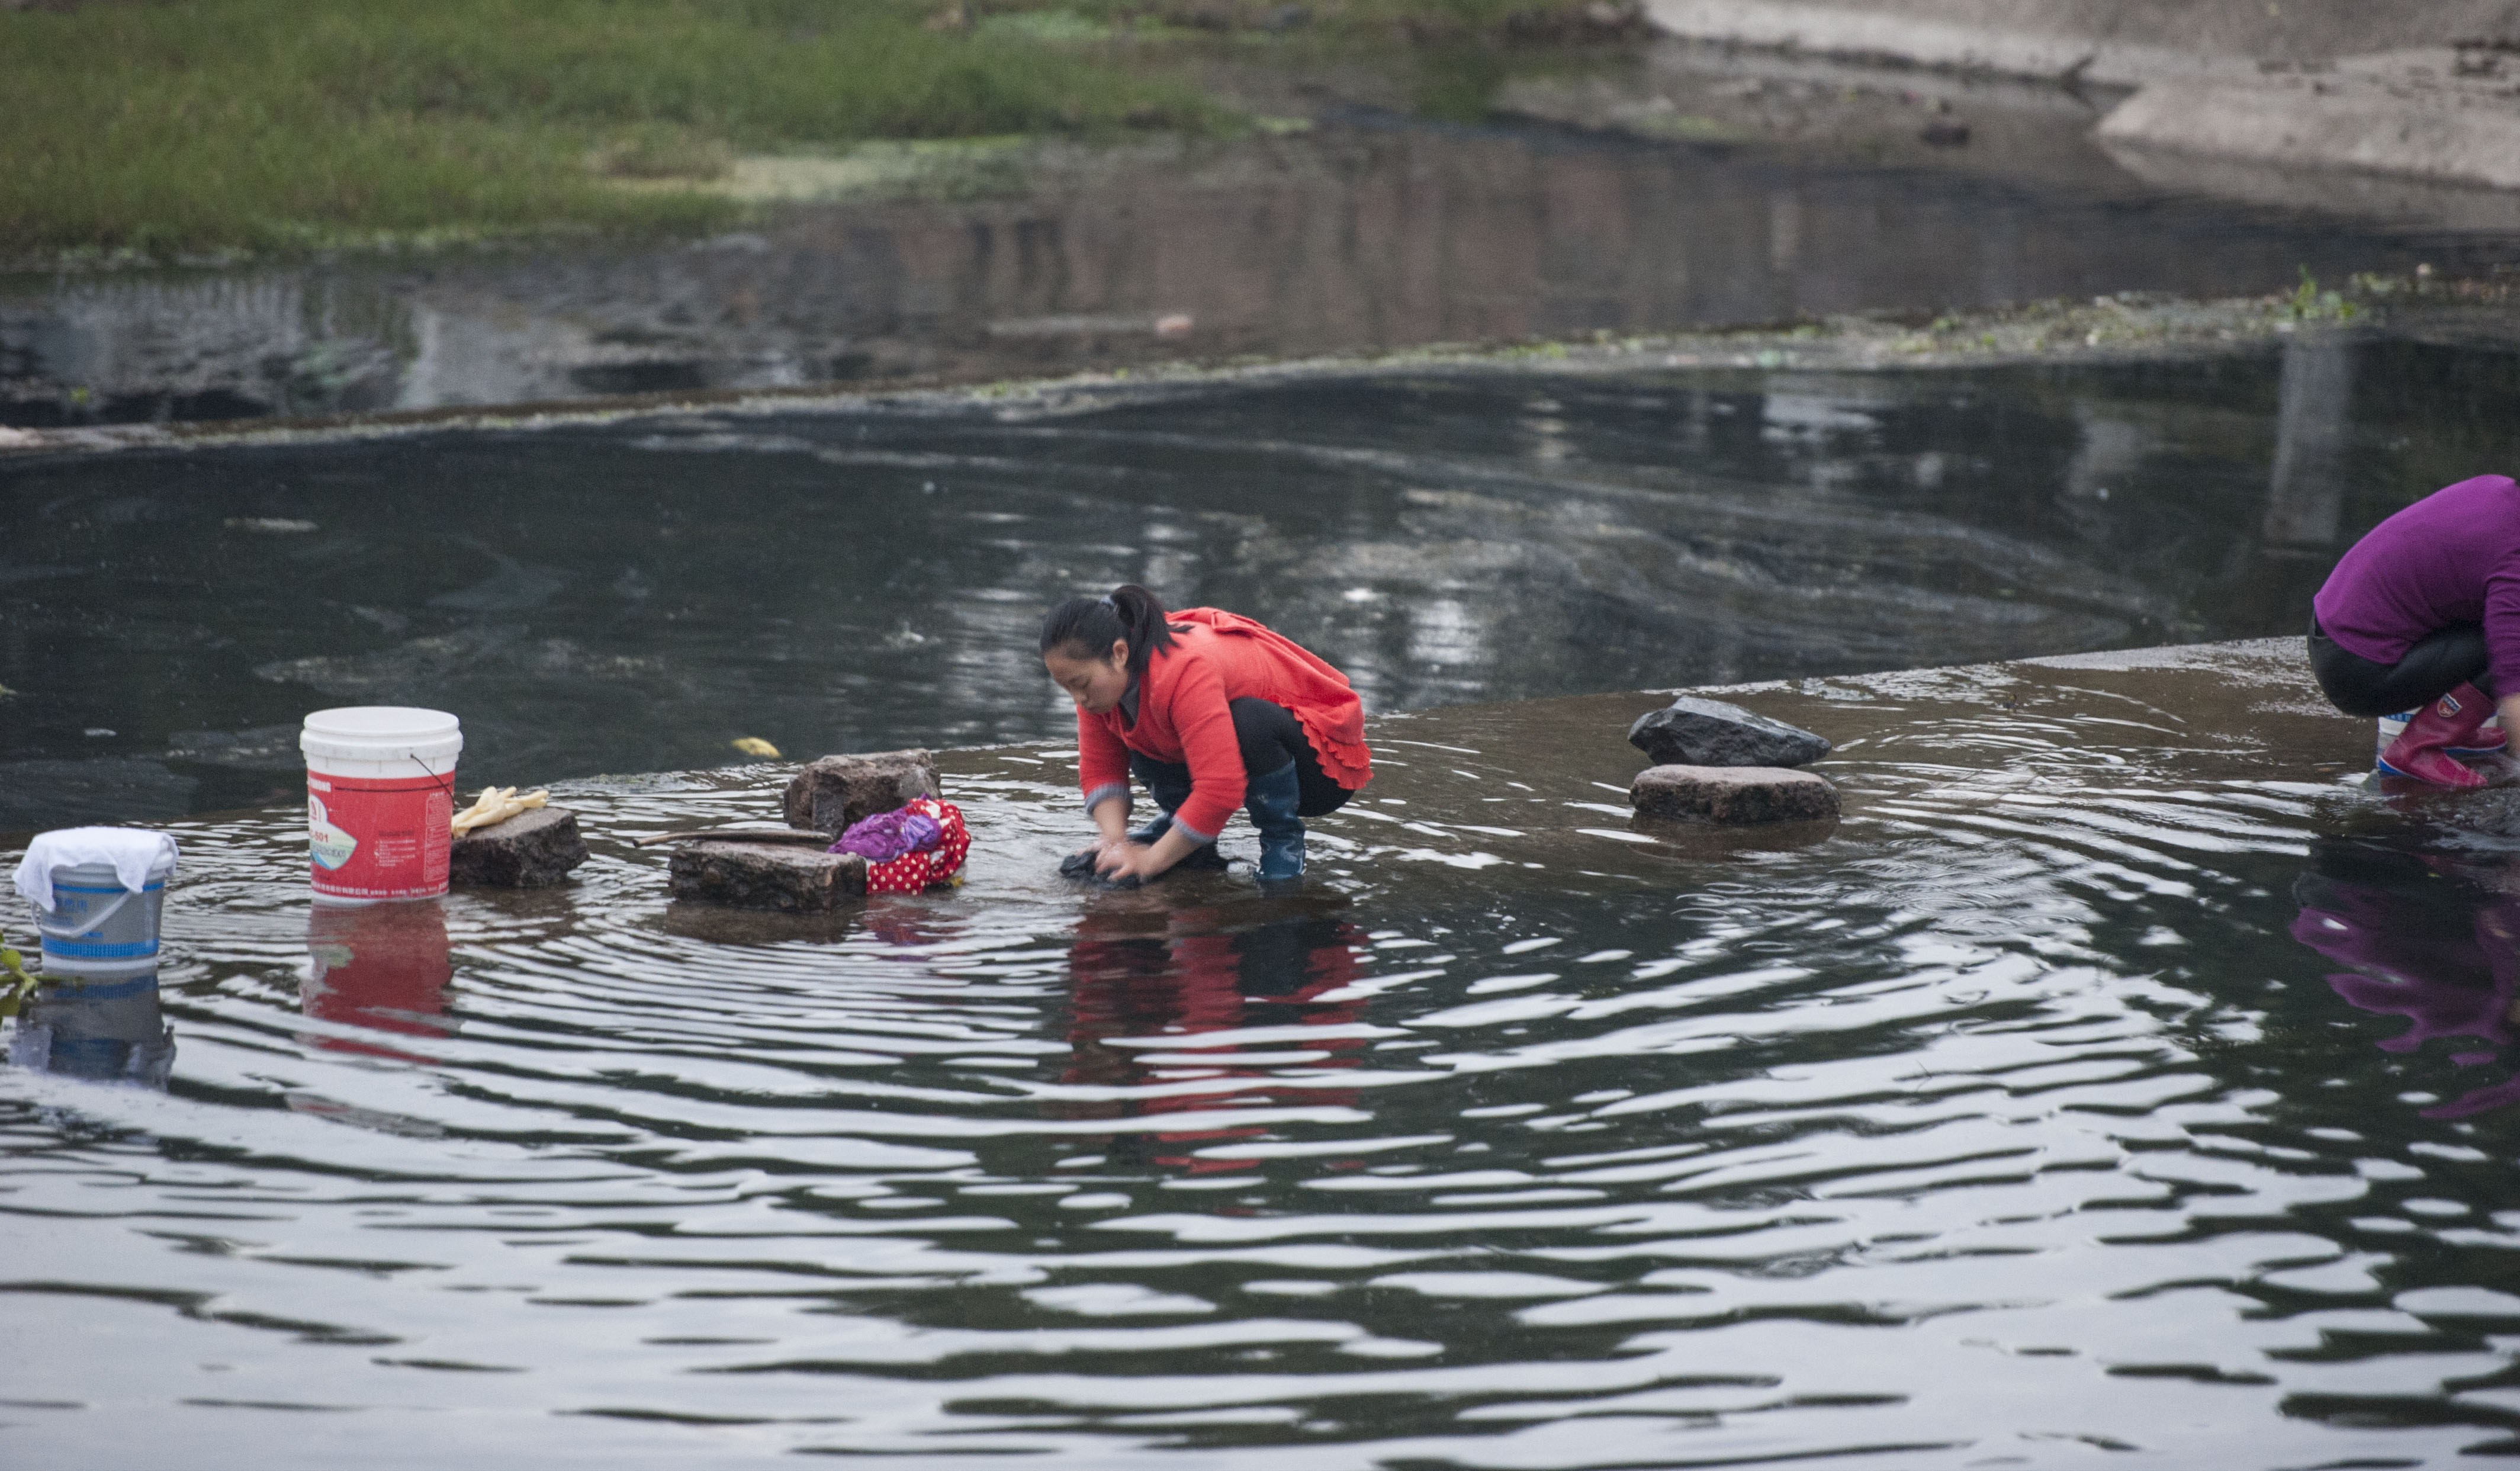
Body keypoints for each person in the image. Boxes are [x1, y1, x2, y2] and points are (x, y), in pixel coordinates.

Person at [1040, 585, 1370, 884]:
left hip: (1318, 771)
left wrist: (1150, 861)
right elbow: (1101, 768)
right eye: (1067, 688)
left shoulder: (1184, 669)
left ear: (1120, 653)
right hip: (1243, 762)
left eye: (1080, 685)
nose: (1078, 699)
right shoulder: (1101, 686)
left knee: (1247, 720)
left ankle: (1282, 842)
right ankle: (1187, 830)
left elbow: (1221, 790)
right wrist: (1114, 843)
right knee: (1143, 728)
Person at [2309, 473, 2520, 788]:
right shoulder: (2514, 557)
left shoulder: (2499, 491)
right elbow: (2512, 681)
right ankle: (2415, 750)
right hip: (2356, 669)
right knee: (2509, 645)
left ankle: (2455, 728)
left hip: (2335, 636)